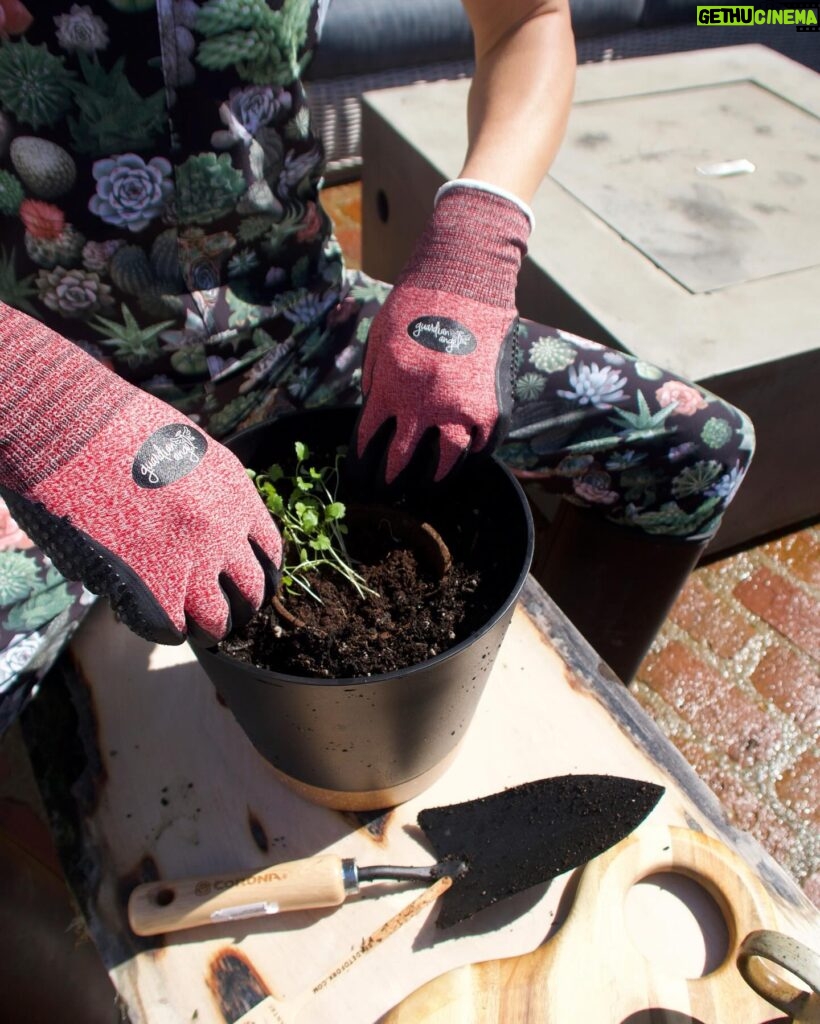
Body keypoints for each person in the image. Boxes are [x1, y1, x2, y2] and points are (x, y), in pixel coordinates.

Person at [0, 0, 754, 739]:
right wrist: (36, 401)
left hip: (307, 335)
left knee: (695, 448)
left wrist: (474, 243)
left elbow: (526, 20)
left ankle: (576, 720)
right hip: (53, 403)